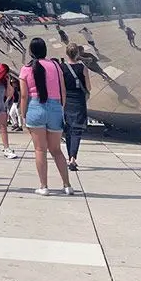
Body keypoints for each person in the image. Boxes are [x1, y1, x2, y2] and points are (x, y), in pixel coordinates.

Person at [20, 38, 74, 196]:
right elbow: (63, 91)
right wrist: (60, 108)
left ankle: (44, 186)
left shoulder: (26, 68)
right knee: (56, 150)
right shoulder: (56, 66)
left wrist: (23, 115)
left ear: (31, 51)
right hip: (55, 107)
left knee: (40, 150)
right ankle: (67, 185)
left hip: (35, 108)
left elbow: (24, 95)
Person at [62, 43, 90, 171]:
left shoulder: (62, 67)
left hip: (66, 100)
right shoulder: (82, 67)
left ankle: (69, 157)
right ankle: (73, 158)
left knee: (68, 129)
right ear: (78, 53)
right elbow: (88, 87)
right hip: (79, 100)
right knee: (77, 130)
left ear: (67, 53)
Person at [0, 63, 18, 159]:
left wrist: (8, 82)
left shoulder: (3, 82)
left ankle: (6, 148)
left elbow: (9, 93)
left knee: (3, 128)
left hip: (1, 107)